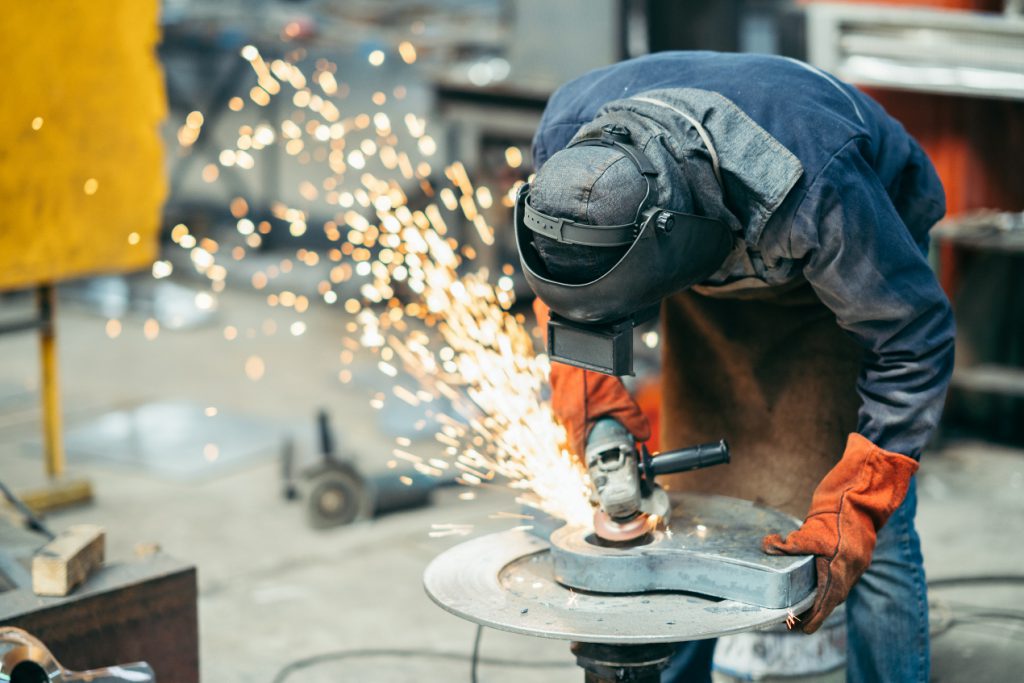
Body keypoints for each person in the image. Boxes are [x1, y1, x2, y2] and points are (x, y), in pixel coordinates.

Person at [516, 51, 954, 683]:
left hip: (853, 257)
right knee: (693, 510)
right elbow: (572, 293)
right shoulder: (567, 142)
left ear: (670, 239)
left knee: (868, 535)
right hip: (716, 237)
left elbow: (913, 340)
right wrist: (599, 414)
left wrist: (857, 506)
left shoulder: (819, 188)